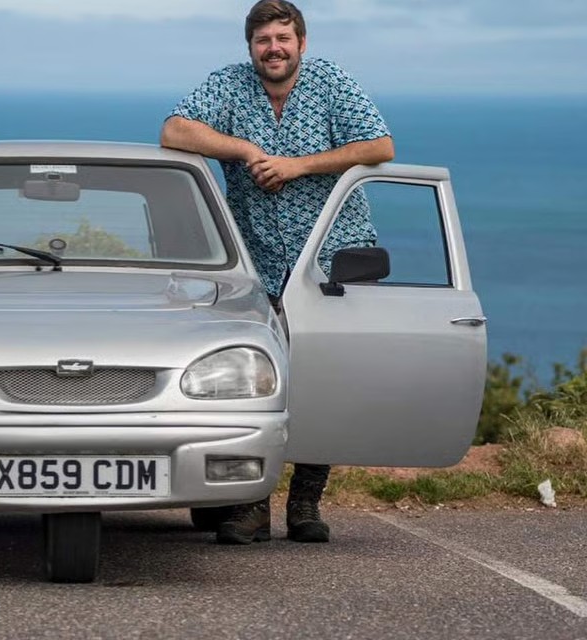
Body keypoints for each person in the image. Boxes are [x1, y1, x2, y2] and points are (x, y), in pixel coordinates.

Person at [160, 0, 393, 545]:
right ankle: (251, 507)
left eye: (283, 38)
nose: (274, 48)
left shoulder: (332, 82)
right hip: (256, 263)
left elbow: (380, 146)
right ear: (251, 48)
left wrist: (297, 165)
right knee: (257, 381)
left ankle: (306, 504)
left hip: (333, 257)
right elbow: (174, 131)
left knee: (325, 381)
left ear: (302, 43)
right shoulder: (229, 85)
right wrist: (244, 150)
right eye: (264, 40)